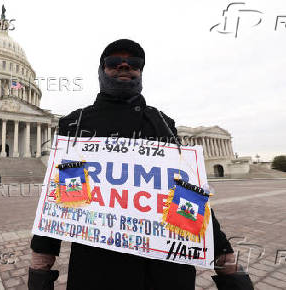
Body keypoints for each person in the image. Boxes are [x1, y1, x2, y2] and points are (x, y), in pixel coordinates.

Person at [28, 39, 253, 290]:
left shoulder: (162, 122)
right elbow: (62, 197)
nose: (124, 66)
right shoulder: (76, 124)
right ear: (101, 71)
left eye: (134, 63)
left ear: (140, 72)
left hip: (166, 269)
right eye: (114, 62)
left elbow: (188, 192)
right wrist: (41, 262)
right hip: (100, 265)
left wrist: (223, 255)